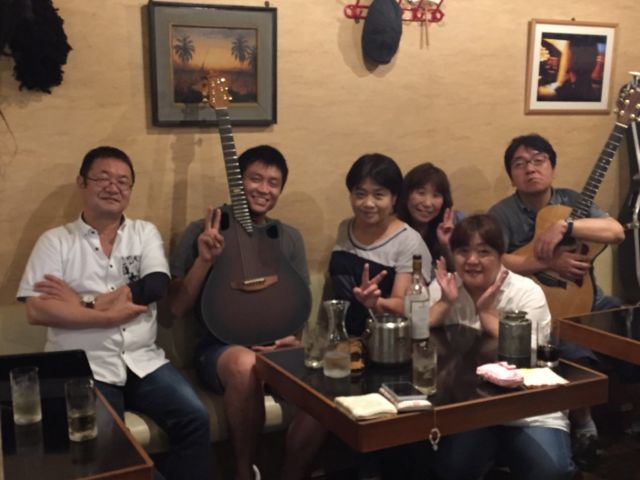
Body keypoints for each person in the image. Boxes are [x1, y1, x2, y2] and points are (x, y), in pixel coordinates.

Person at [16, 146, 210, 480]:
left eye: (123, 181)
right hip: (84, 367)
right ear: (81, 183)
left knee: (195, 418)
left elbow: (156, 286)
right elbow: (38, 310)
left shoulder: (143, 232)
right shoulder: (56, 241)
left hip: (143, 360)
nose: (113, 187)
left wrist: (81, 303)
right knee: (112, 447)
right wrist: (108, 316)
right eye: (103, 178)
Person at [169, 145, 325, 480]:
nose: (264, 189)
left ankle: (292, 473)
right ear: (237, 181)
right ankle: (244, 472)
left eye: (273, 182)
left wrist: (291, 339)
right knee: (245, 365)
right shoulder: (202, 230)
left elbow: (299, 304)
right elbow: (176, 307)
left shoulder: (288, 237)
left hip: (277, 346)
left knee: (328, 379)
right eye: (255, 179)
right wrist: (204, 260)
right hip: (219, 348)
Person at [488, 133, 625, 469]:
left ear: (552, 167)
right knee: (569, 341)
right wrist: (545, 262)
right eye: (520, 164)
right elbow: (494, 259)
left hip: (591, 298)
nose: (530, 169)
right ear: (511, 176)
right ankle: (585, 425)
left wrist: (568, 225)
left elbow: (616, 231)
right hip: (543, 304)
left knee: (629, 327)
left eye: (539, 161)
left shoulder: (572, 201)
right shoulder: (502, 213)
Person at [428, 214, 574, 480]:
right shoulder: (446, 286)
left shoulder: (526, 291)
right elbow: (417, 335)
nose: (472, 260)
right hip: (469, 410)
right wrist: (445, 303)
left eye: (484, 252)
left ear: (500, 255)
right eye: (463, 251)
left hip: (529, 409)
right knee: (453, 468)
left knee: (552, 471)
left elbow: (531, 351)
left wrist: (487, 315)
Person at [329, 153, 432, 337]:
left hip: (387, 342)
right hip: (345, 338)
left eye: (378, 195)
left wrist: (376, 302)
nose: (368, 203)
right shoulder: (345, 228)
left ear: (394, 199)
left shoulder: (409, 241)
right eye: (360, 194)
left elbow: (405, 305)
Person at [397, 162, 464, 270]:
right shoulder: (392, 226)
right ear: (406, 195)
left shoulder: (457, 221)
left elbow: (464, 272)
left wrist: (446, 245)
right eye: (421, 193)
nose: (428, 203)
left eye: (436, 195)